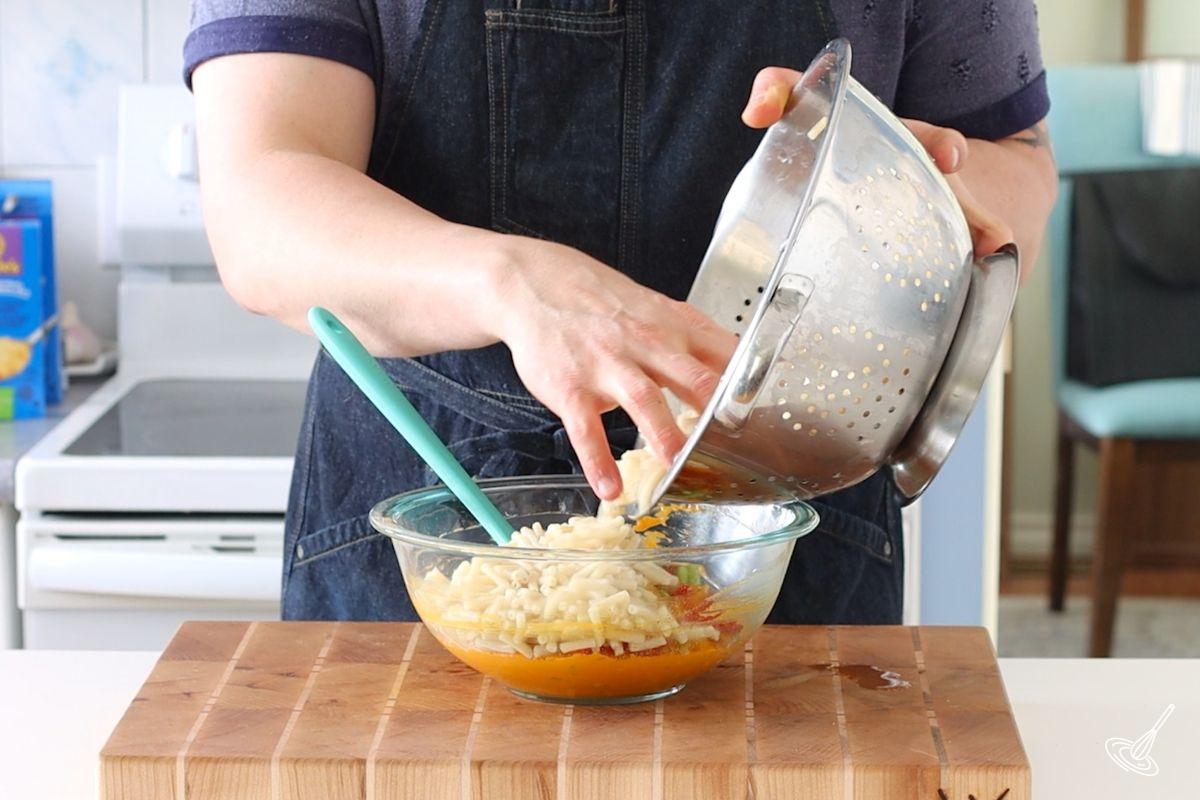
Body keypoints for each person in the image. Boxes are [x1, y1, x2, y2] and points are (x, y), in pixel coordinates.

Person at [186, 1, 1057, 623]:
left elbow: (1013, 164)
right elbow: (261, 205)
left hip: (781, 521)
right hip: (421, 518)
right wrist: (514, 281)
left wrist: (902, 181)